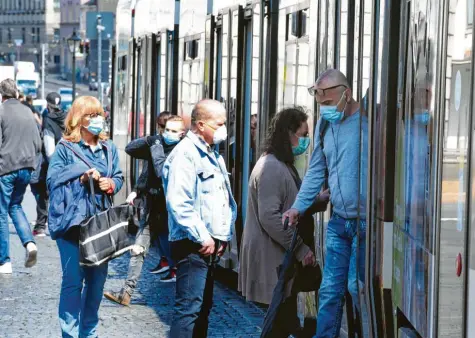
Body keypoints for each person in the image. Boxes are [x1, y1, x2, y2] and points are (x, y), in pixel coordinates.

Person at [283, 69, 368, 337]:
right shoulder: (325, 124)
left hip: (366, 223)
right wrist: (298, 206)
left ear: (348, 94)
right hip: (339, 221)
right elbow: (316, 170)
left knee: (357, 289)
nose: (325, 110)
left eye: (329, 104)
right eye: (321, 105)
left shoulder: (369, 122)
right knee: (330, 291)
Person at [239, 107, 329, 337]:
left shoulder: (281, 164)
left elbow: (291, 202)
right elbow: (270, 217)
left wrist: (318, 200)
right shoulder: (271, 166)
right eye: (304, 134)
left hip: (281, 263)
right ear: (289, 133)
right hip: (274, 262)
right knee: (279, 324)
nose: (306, 140)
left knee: (283, 324)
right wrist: (301, 249)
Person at [47, 96, 124, 337]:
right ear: (79, 120)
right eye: (91, 115)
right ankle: (69, 333)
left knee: (97, 283)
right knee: (73, 281)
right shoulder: (65, 148)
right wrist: (80, 178)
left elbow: (119, 177)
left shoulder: (109, 148)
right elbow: (52, 182)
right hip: (72, 225)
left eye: (99, 114)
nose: (97, 119)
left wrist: (110, 183)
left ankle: (89, 332)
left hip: (100, 225)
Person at [163, 99, 237, 337]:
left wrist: (222, 236)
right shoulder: (185, 154)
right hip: (192, 244)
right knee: (189, 310)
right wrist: (203, 236)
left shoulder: (212, 153)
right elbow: (179, 201)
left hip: (207, 244)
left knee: (201, 309)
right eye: (220, 124)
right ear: (201, 124)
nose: (224, 129)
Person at [103, 114, 186, 306]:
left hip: (172, 210)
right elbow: (132, 149)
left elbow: (160, 169)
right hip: (153, 207)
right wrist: (150, 140)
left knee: (178, 253)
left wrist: (156, 146)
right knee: (138, 248)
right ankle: (127, 292)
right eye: (166, 129)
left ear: (182, 134)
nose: (167, 134)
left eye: (173, 131)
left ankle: (186, 296)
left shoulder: (181, 151)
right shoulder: (157, 143)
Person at [0, 79, 42, 274]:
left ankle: (4, 261)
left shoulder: (1, 111)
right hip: (26, 167)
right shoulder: (28, 111)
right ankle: (29, 244)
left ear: (2, 95)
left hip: (6, 168)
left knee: (1, 212)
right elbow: (38, 144)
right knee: (15, 206)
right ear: (16, 93)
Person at [31, 92, 66, 237]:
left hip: (50, 163)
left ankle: (41, 225)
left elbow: (49, 147)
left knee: (40, 190)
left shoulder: (48, 119)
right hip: (65, 161)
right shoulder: (66, 116)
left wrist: (53, 164)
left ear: (48, 104)